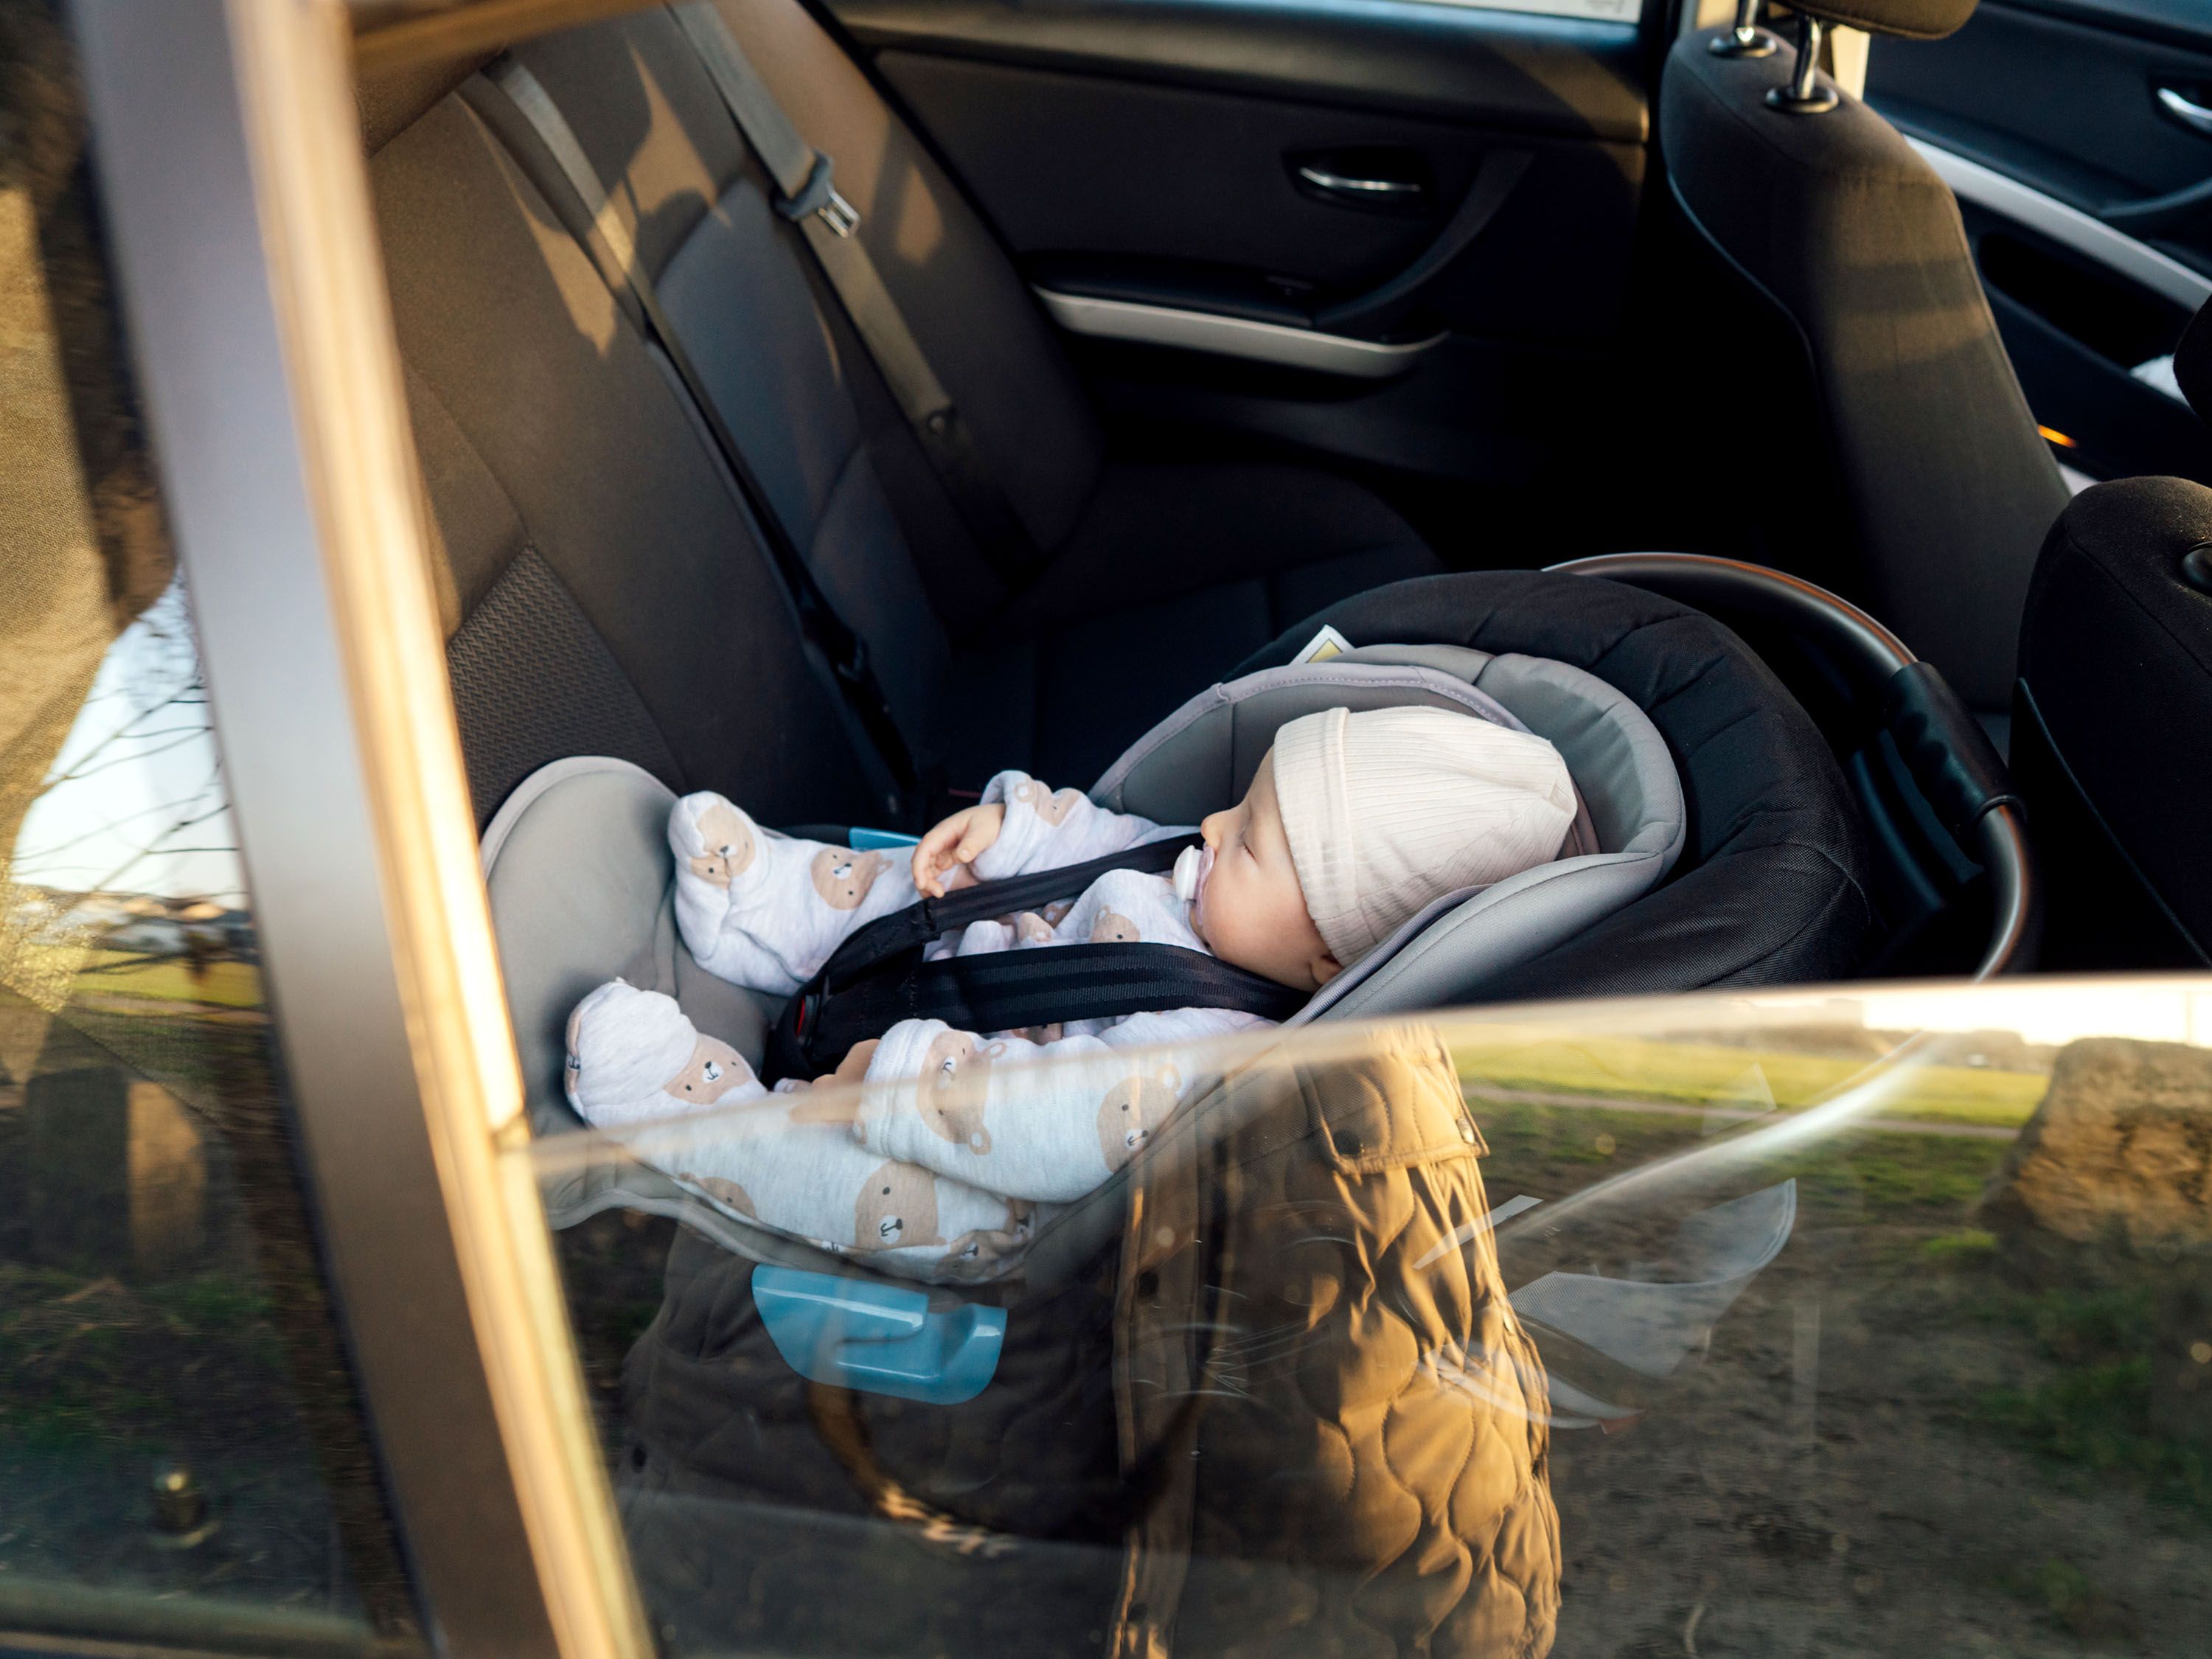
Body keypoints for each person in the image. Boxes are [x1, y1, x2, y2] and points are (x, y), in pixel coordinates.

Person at [564, 706, 1577, 1279]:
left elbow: (1055, 1119)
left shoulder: (1211, 1052)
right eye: (1242, 800)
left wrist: (905, 1076)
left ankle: (685, 1105)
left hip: (989, 1154)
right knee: (935, 884)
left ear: (1327, 965)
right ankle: (768, 897)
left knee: (859, 1188)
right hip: (994, 980)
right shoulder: (1213, 878)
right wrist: (1021, 832)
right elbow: (1108, 843)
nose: (1214, 825)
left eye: (1254, 839)